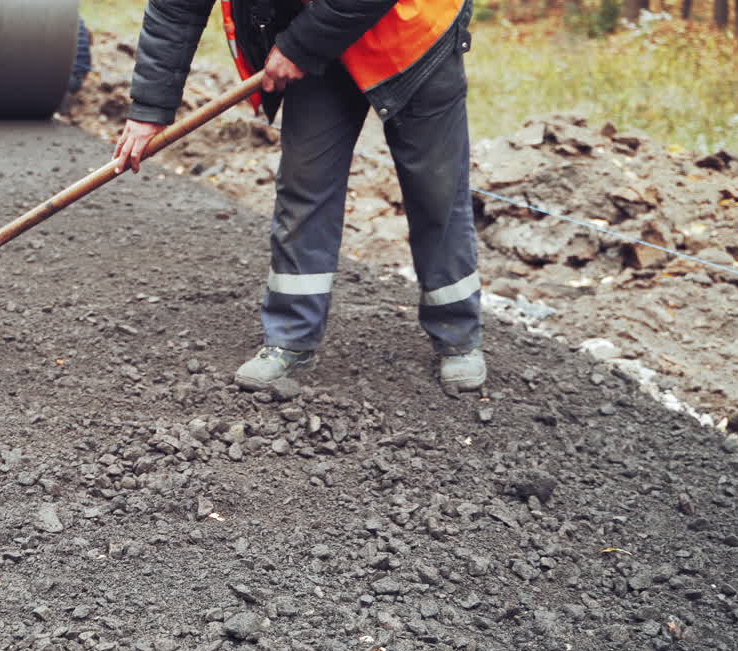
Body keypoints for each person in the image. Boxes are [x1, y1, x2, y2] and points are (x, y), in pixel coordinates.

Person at [112, 0, 487, 393]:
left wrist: (297, 48)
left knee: (436, 190)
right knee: (304, 184)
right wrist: (150, 108)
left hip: (411, 34)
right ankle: (290, 338)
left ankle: (457, 335)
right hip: (316, 31)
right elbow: (176, 8)